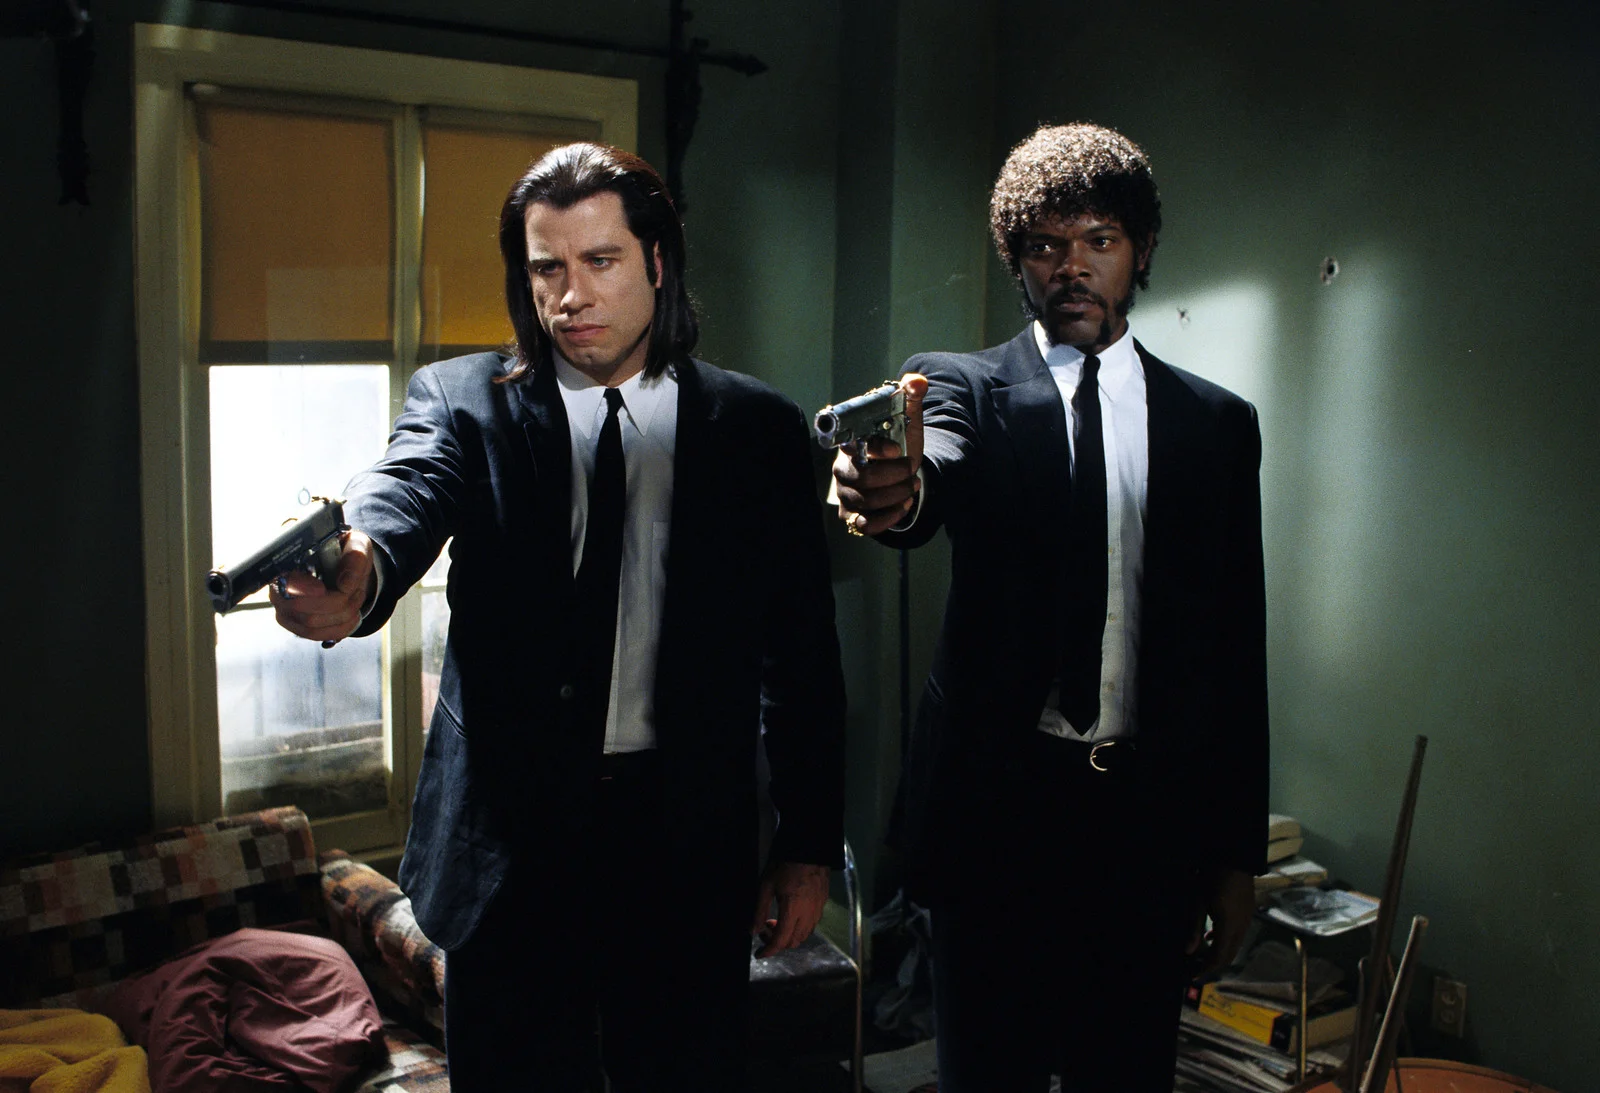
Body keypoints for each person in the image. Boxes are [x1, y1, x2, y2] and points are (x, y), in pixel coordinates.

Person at [271, 142, 847, 1092]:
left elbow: (803, 658)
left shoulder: (758, 430)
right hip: (511, 852)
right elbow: (404, 486)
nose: (570, 295)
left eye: (599, 261)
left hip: (684, 847)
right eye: (547, 268)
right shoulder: (464, 402)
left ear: (656, 261)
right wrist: (360, 566)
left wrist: (807, 846)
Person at [832, 122, 1268, 1092]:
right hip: (999, 819)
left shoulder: (1215, 424)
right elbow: (930, 471)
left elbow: (1239, 646)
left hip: (1146, 825)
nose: (1071, 267)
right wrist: (893, 485)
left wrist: (1235, 859)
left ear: (1140, 252)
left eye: (1098, 241)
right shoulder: (964, 386)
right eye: (1044, 245)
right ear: (1016, 261)